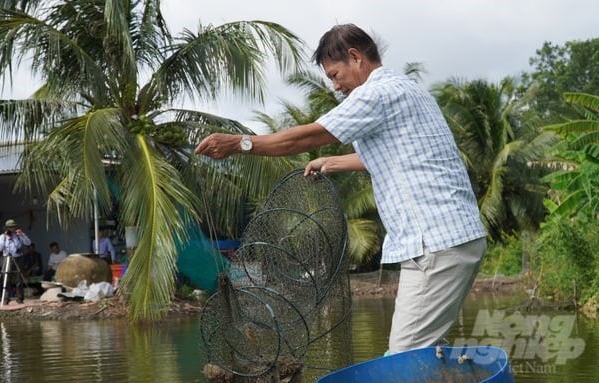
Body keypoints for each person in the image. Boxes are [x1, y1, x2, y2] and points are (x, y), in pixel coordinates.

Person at [195, 24, 487, 354]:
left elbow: (304, 137)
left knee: (403, 360)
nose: (336, 86)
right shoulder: (409, 88)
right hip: (459, 238)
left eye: (335, 75)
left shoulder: (374, 93)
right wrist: (333, 163)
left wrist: (240, 143)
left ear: (355, 57)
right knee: (428, 352)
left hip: (433, 243)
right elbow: (395, 153)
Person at [0, 219, 31, 304]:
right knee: (6, 279)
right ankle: (6, 298)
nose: (12, 229)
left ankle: (20, 298)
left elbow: (28, 243)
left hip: (18, 258)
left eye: (13, 227)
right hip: (7, 258)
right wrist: (4, 239)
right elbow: (0, 248)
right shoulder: (2, 236)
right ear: (7, 228)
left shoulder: (19, 235)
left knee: (19, 279)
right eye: (10, 227)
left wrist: (22, 235)